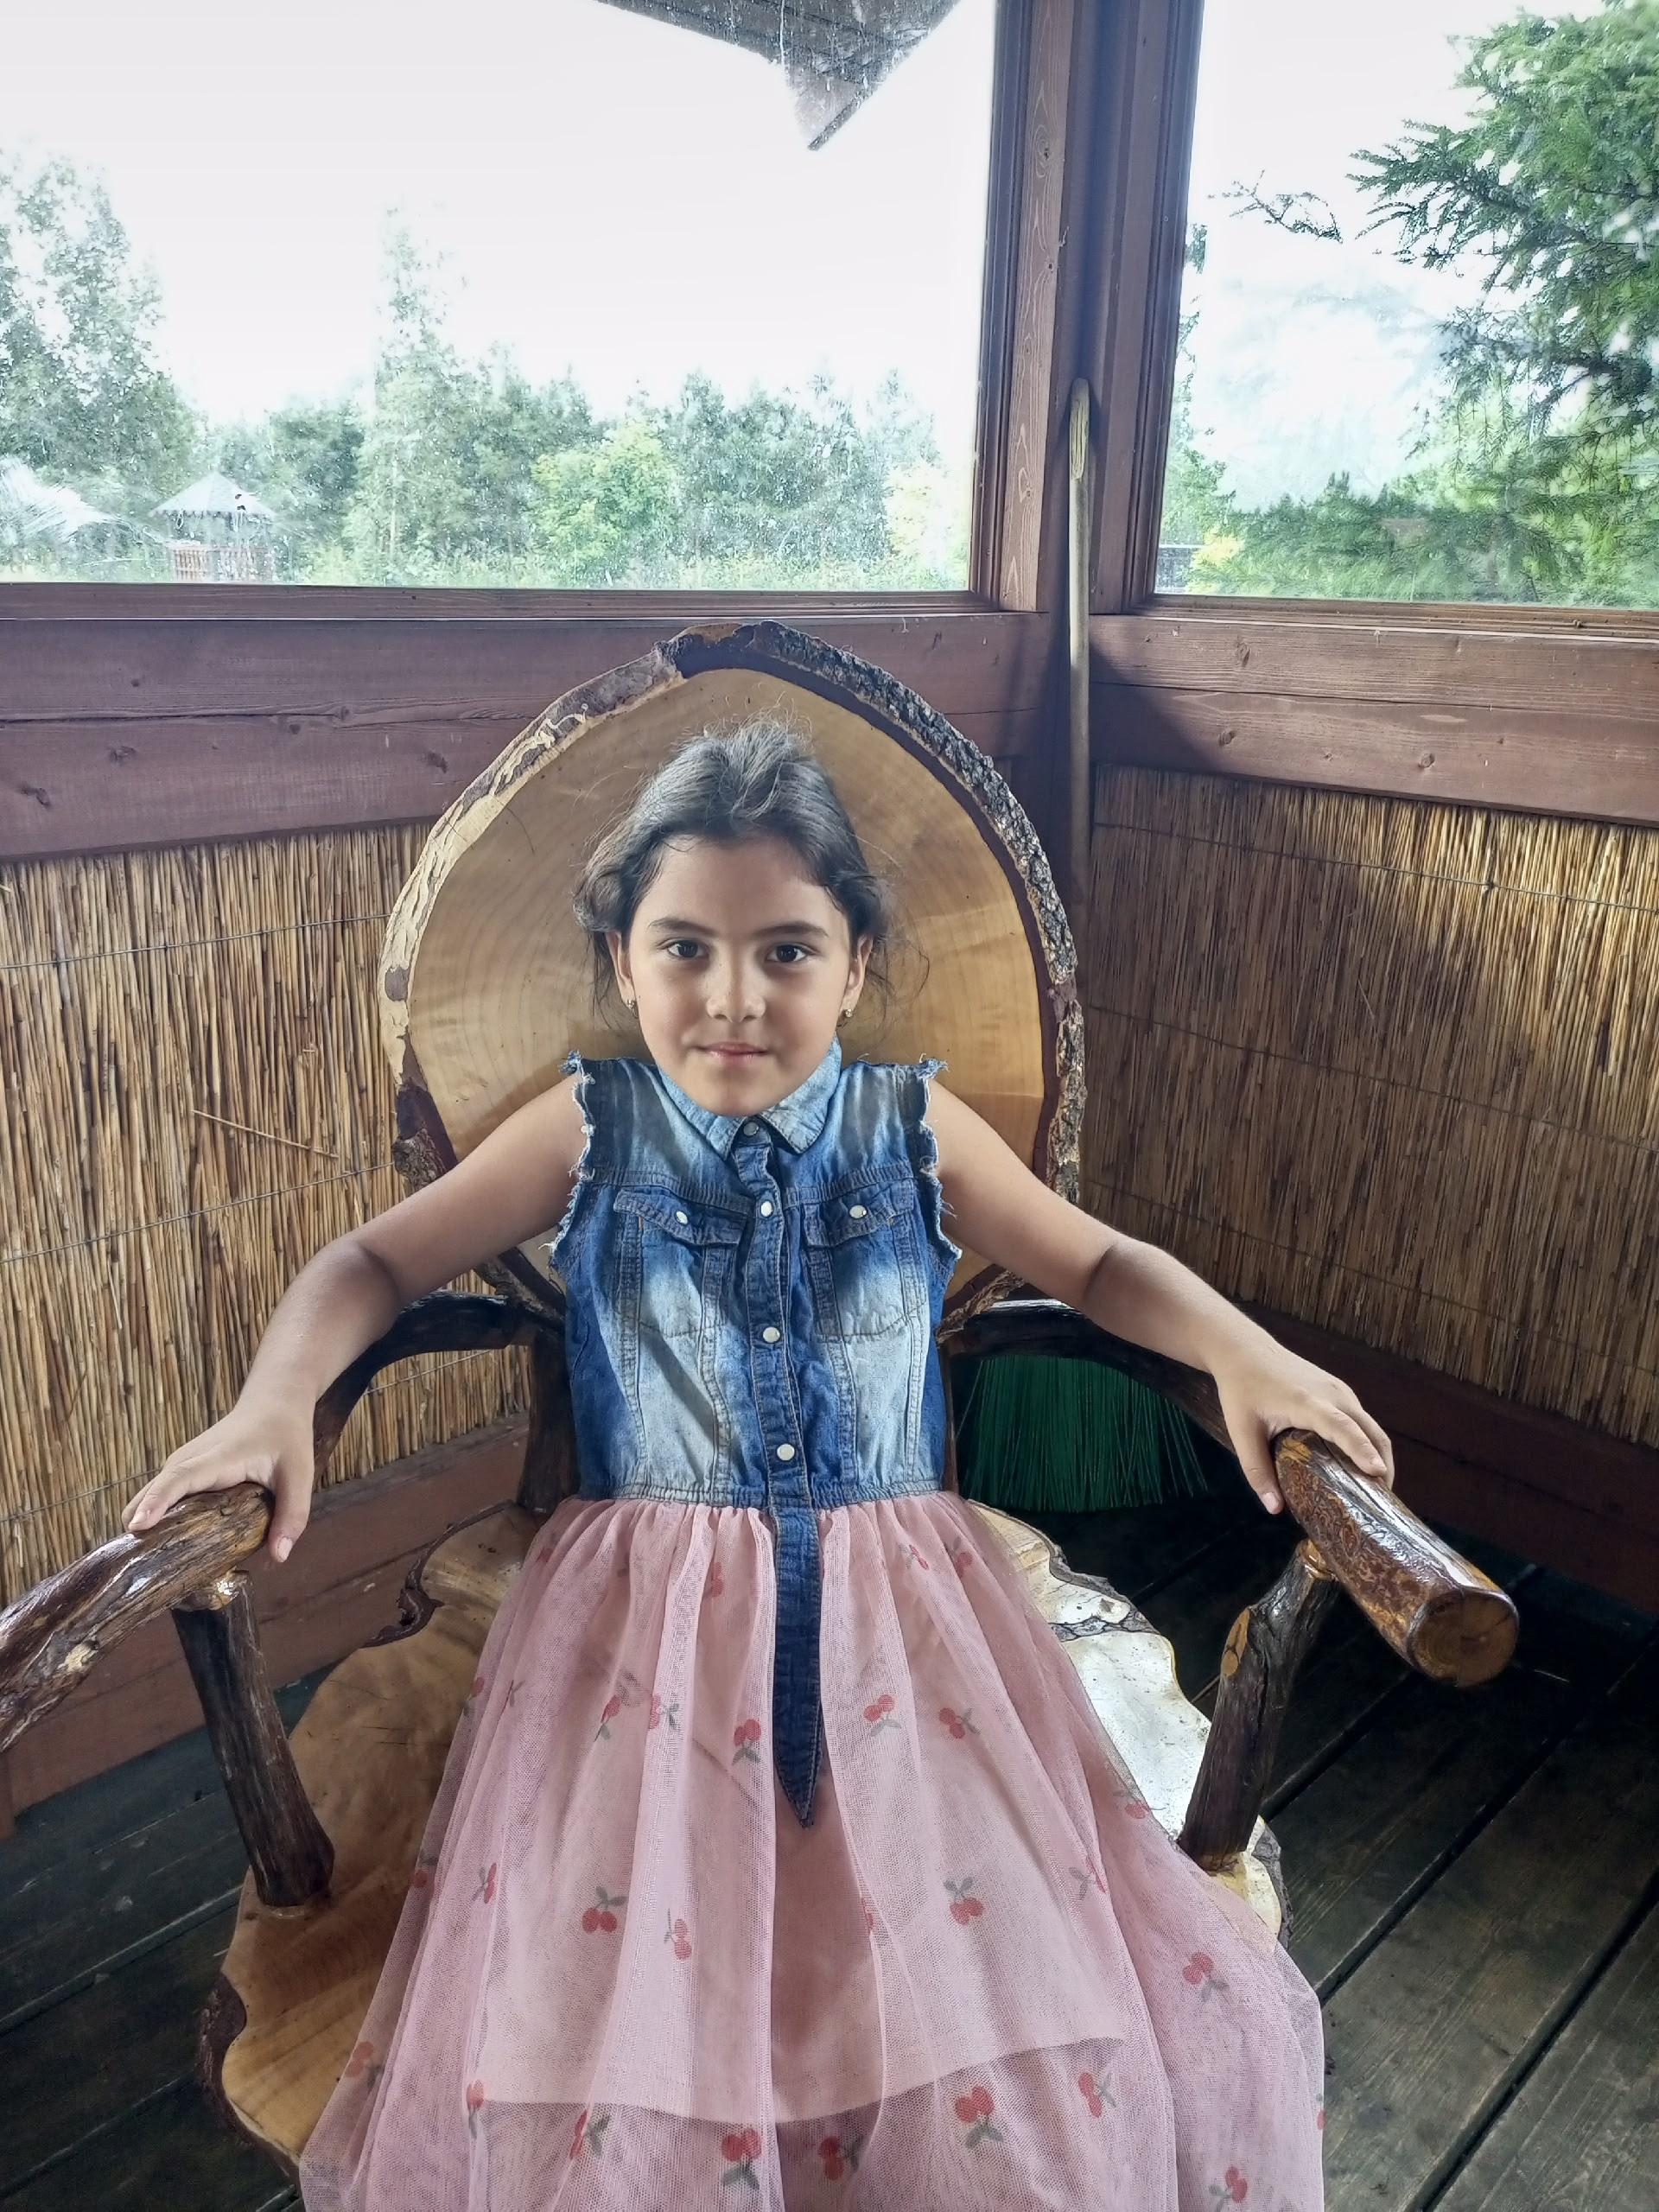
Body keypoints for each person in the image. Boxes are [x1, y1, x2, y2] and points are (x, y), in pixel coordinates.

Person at [125, 721, 1390, 2211]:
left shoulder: (911, 1124)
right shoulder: (589, 1128)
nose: (734, 996)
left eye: (788, 951)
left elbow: (1103, 1264)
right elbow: (374, 1261)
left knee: (978, 1959)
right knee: (635, 1960)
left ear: (856, 963)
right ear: (623, 960)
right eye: (686, 949)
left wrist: (1247, 1353)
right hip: (643, 1625)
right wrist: (273, 1404)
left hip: (902, 1613)